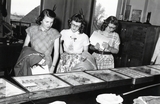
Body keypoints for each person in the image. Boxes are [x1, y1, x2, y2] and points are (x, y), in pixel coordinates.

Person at [23, 9, 60, 73]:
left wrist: (53, 67)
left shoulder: (55, 33)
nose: (49, 25)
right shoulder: (32, 30)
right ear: (41, 20)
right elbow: (25, 47)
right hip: (32, 63)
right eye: (47, 22)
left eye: (51, 22)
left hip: (47, 64)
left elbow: (56, 52)